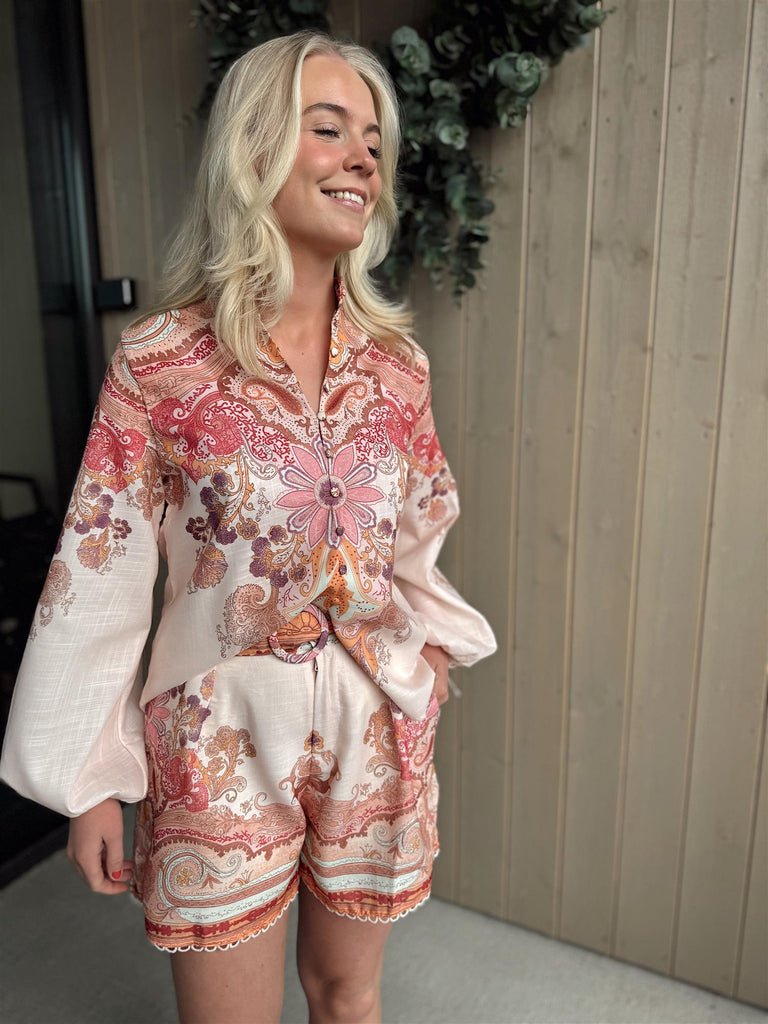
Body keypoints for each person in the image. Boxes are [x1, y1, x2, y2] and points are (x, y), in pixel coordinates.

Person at [0, 29, 496, 1024]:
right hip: (216, 734)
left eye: (374, 140)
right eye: (330, 129)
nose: (364, 158)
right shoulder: (161, 364)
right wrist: (89, 780)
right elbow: (98, 562)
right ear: (255, 148)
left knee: (348, 995)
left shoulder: (398, 369)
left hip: (374, 728)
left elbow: (418, 529)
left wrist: (432, 653)